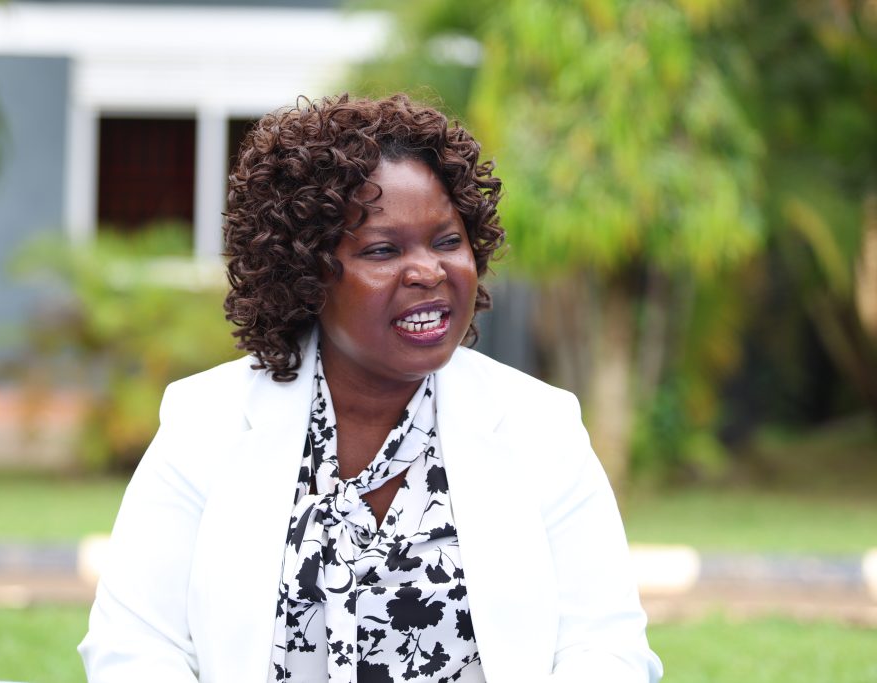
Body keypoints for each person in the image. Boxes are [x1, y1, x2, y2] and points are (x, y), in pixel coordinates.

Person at [79, 94, 663, 683]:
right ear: (306, 272)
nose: (429, 272)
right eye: (383, 250)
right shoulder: (208, 422)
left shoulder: (541, 426)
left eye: (446, 241)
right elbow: (135, 645)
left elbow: (604, 647)